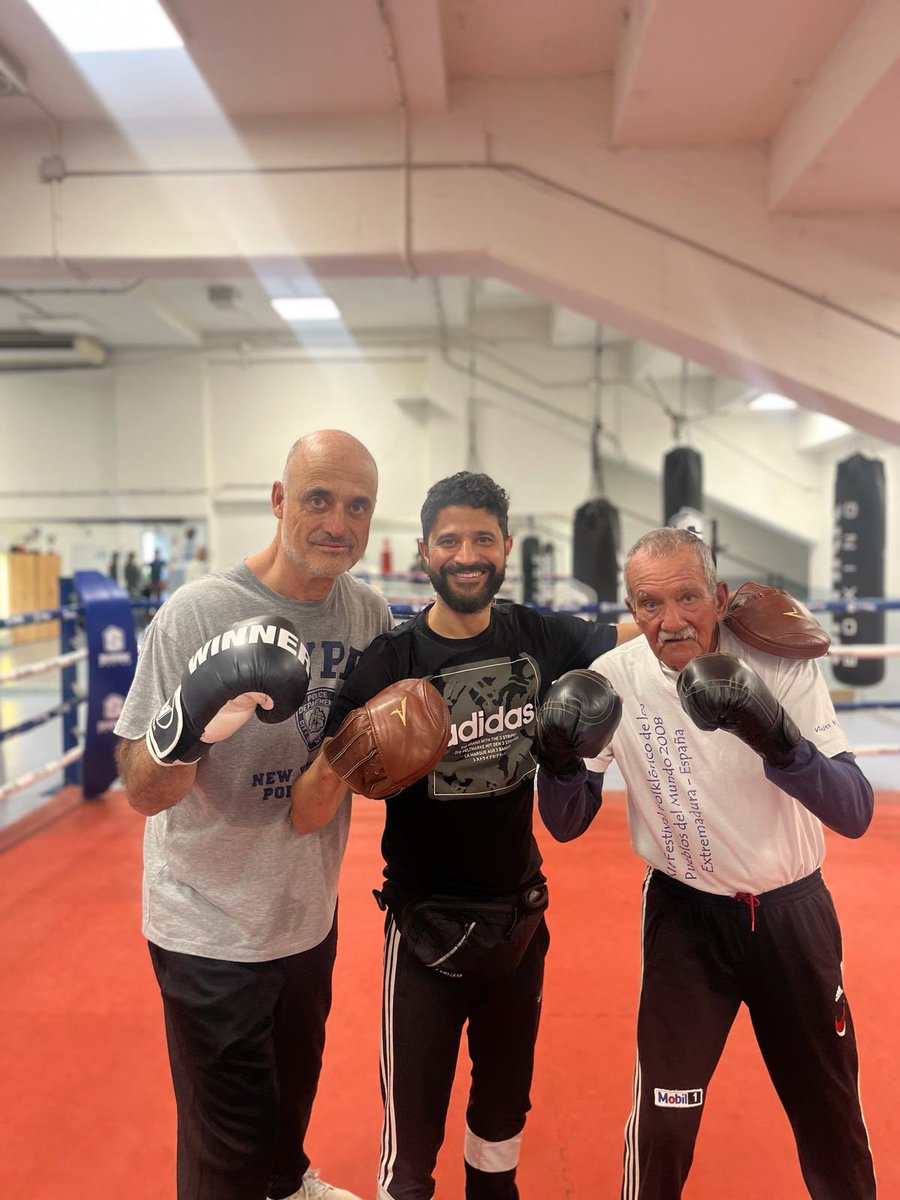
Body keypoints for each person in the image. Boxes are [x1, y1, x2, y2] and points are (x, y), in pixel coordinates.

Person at [289, 470, 635, 1200]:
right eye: (450, 539)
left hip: (520, 923)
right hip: (423, 931)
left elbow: (632, 635)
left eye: (482, 538)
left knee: (501, 1132)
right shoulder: (393, 660)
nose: (467, 553)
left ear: (506, 547)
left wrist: (703, 618)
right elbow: (307, 810)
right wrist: (344, 754)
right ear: (425, 552)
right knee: (411, 1161)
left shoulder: (537, 634)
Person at [536, 527, 876, 1199]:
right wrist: (556, 758)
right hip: (685, 919)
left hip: (791, 915)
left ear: (717, 596)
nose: (670, 621)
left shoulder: (777, 665)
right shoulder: (615, 680)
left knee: (830, 1118)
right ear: (630, 612)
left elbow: (856, 810)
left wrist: (775, 735)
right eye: (648, 604)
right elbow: (565, 824)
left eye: (687, 597)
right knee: (664, 1126)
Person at [114, 430, 393, 1200]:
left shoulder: (367, 614)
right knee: (225, 1149)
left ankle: (286, 1181)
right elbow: (142, 791)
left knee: (285, 1111)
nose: (338, 521)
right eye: (318, 499)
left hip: (305, 914)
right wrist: (187, 722)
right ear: (278, 502)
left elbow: (370, 760)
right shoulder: (198, 613)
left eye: (357, 505)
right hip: (208, 925)